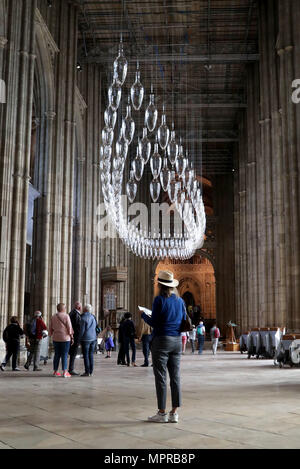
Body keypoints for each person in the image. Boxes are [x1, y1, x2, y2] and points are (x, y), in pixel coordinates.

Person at [141, 270, 186, 424]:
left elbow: (155, 323)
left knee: (161, 377)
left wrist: (143, 315)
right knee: (175, 377)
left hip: (162, 341)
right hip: (177, 341)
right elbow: (185, 319)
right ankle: (174, 413)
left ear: (160, 285)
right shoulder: (180, 301)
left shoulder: (159, 300)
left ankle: (161, 413)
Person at [49, 303, 74, 378]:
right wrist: (71, 336)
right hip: (65, 338)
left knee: (57, 355)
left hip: (56, 338)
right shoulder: (66, 316)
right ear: (63, 308)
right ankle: (65, 372)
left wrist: (50, 334)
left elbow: (50, 327)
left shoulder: (53, 316)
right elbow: (69, 327)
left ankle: (55, 371)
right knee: (64, 355)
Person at [79, 304, 97, 376]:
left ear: (85, 309)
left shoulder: (83, 318)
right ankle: (91, 371)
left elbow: (82, 330)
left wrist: (79, 339)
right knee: (90, 355)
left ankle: (87, 371)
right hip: (93, 338)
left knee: (86, 355)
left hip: (86, 339)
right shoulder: (93, 317)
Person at [68, 301, 82, 375]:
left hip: (72, 336)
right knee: (73, 353)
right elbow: (77, 327)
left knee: (72, 353)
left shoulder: (71, 313)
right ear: (79, 307)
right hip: (75, 336)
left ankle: (70, 368)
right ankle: (71, 369)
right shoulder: (76, 314)